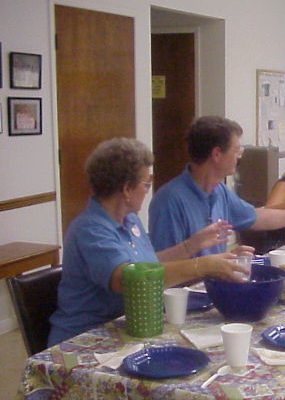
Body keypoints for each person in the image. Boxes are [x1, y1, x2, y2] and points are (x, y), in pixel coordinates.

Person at [48, 138, 246, 346]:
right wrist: (202, 265)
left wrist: (192, 246)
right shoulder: (90, 229)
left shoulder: (129, 219)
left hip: (128, 327)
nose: (147, 190)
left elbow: (147, 265)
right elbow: (130, 281)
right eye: (146, 184)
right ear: (127, 189)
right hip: (85, 338)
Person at [149, 116, 285, 256]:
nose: (239, 156)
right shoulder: (169, 200)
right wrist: (214, 263)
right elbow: (163, 266)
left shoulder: (219, 191)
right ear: (217, 154)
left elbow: (257, 218)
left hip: (213, 282)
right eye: (236, 150)